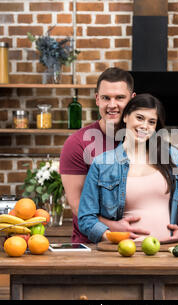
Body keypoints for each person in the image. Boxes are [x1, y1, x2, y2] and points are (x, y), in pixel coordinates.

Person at [78, 93, 178, 243]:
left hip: (166, 251)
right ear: (126, 117)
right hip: (123, 252)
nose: (145, 126)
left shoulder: (172, 156)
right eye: (139, 118)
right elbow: (86, 218)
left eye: (151, 122)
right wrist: (112, 235)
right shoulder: (102, 163)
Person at [60, 67, 152, 243]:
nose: (112, 105)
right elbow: (77, 205)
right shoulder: (77, 144)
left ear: (132, 100)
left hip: (141, 243)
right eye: (106, 98)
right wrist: (112, 226)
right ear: (97, 99)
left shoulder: (145, 140)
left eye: (119, 98)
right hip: (92, 246)